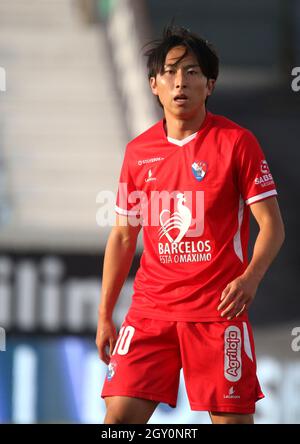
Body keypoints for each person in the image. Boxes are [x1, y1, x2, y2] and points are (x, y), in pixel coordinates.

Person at [96, 26, 285, 424]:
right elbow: (123, 235)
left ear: (210, 84)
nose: (181, 81)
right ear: (153, 85)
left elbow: (272, 227)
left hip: (216, 314)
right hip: (150, 313)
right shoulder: (138, 152)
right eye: (170, 71)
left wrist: (250, 279)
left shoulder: (237, 143)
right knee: (116, 423)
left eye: (193, 72)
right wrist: (105, 315)